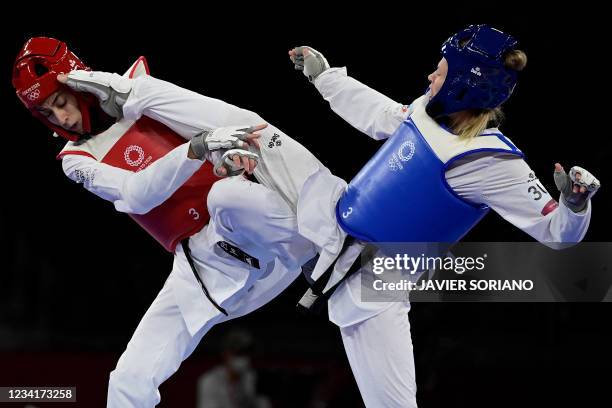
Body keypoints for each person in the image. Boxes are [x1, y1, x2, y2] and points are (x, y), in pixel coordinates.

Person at [287, 24, 601, 407]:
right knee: (243, 167)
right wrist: (325, 76)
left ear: (461, 86)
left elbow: (558, 234)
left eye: (440, 70)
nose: (430, 76)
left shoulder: (493, 161)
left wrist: (574, 205)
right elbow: (378, 112)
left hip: (375, 286)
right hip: (326, 227)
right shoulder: (422, 110)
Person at [13, 37, 329, 407]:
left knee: (227, 195)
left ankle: (324, 256)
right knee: (129, 379)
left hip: (255, 230)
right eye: (48, 114)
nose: (62, 118)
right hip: (203, 265)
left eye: (62, 102)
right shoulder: (76, 160)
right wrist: (195, 149)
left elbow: (221, 121)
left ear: (77, 81)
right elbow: (135, 194)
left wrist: (222, 156)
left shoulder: (139, 89)